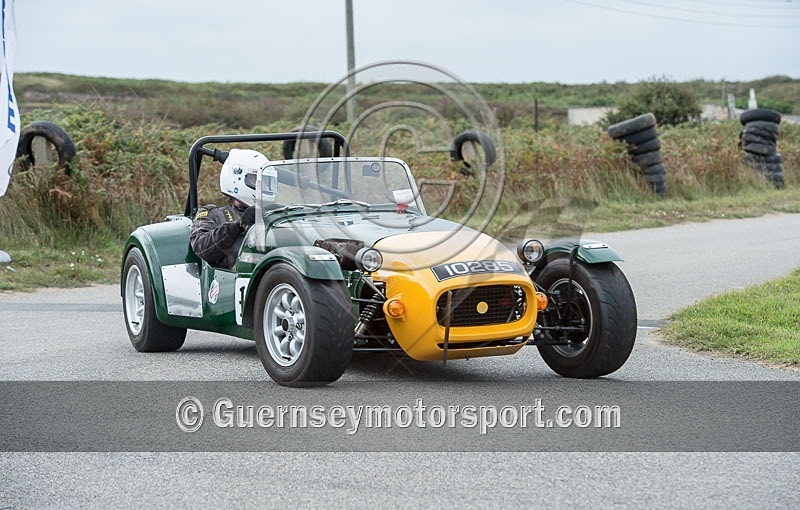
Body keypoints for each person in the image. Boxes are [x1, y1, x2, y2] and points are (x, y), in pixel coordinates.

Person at [190, 148, 270, 270]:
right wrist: (237, 226)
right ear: (237, 179)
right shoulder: (214, 214)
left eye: (266, 182)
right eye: (257, 180)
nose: (263, 186)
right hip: (237, 278)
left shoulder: (274, 212)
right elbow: (201, 247)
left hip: (276, 272)